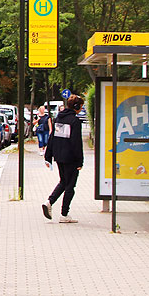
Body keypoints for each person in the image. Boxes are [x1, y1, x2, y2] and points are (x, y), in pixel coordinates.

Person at [42, 94, 84, 224]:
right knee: (70, 186)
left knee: (64, 182)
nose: (81, 109)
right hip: (70, 158)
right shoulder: (75, 122)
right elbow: (76, 142)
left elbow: (52, 137)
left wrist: (48, 155)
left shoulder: (59, 118)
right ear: (76, 107)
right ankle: (64, 214)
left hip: (59, 157)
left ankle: (49, 202)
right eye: (81, 107)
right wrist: (79, 161)